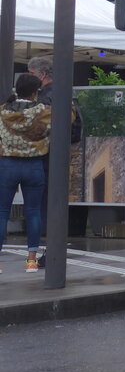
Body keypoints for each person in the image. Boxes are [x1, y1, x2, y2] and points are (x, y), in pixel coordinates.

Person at [27, 55, 82, 268]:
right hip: (59, 155)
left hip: (45, 156)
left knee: (42, 206)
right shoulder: (66, 94)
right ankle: (51, 252)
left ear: (41, 75)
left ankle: (45, 254)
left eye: (31, 74)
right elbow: (77, 129)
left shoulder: (44, 98)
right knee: (53, 204)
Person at [0, 73, 51, 273]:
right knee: (33, 212)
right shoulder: (43, 112)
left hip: (8, 165)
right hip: (34, 165)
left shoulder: (3, 112)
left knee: (2, 212)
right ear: (34, 92)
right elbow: (70, 115)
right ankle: (31, 260)